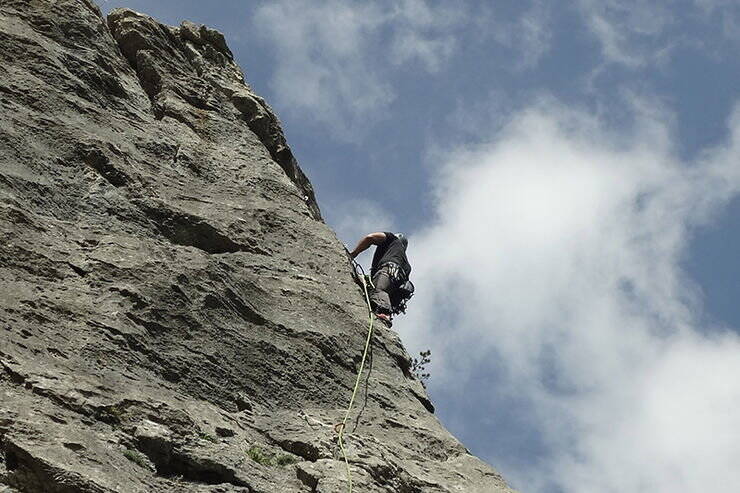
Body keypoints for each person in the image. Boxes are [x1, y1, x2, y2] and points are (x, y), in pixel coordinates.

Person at [350, 232, 411, 324]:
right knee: (377, 291)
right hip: (396, 287)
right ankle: (384, 313)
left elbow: (370, 238)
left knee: (379, 290)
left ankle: (383, 312)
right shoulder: (406, 264)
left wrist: (354, 253)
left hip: (388, 271)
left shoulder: (392, 240)